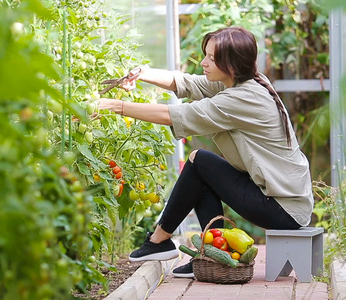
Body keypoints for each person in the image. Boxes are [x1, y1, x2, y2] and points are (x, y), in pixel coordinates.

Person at [96, 26, 314, 278]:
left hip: (282, 208)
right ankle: (206, 252)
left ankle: (158, 242)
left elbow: (176, 115)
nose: (204, 62)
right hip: (282, 199)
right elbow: (186, 83)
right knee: (202, 167)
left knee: (200, 161)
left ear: (231, 64)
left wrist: (115, 106)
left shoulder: (243, 98)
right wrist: (144, 73)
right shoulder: (246, 82)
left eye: (212, 58)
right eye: (206, 55)